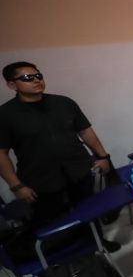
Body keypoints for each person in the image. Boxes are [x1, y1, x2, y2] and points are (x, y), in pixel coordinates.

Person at [0, 61, 119, 257]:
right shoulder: (5, 115)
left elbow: (85, 131)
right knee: (52, 222)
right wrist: (17, 186)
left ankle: (98, 243)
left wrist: (103, 156)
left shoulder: (63, 103)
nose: (36, 80)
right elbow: (1, 153)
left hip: (79, 170)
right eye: (28, 78)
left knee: (89, 212)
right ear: (12, 85)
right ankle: (67, 260)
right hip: (40, 180)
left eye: (38, 75)